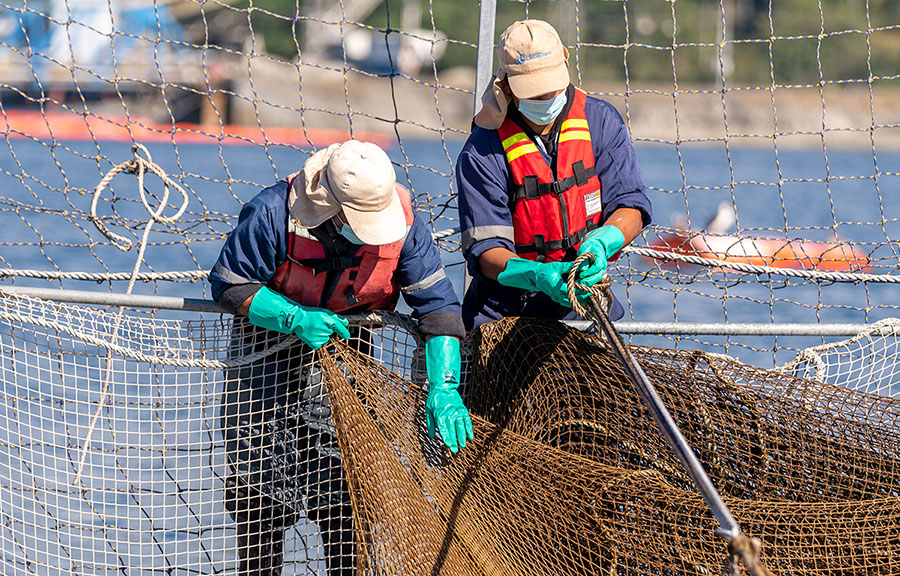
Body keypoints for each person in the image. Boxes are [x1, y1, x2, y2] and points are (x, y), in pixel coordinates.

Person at [208, 139, 474, 576]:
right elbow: (229, 284)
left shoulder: (404, 222)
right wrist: (293, 317)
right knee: (258, 499)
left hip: (350, 363)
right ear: (330, 209)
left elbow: (440, 310)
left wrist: (444, 387)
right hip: (263, 359)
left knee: (346, 499)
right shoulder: (273, 212)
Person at [456, 19, 653, 330]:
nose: (547, 98)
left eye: (553, 87)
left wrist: (604, 242)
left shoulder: (601, 121)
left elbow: (631, 204)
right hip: (505, 317)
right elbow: (486, 251)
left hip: (586, 307)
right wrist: (536, 276)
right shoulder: (481, 151)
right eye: (534, 93)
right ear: (507, 86)